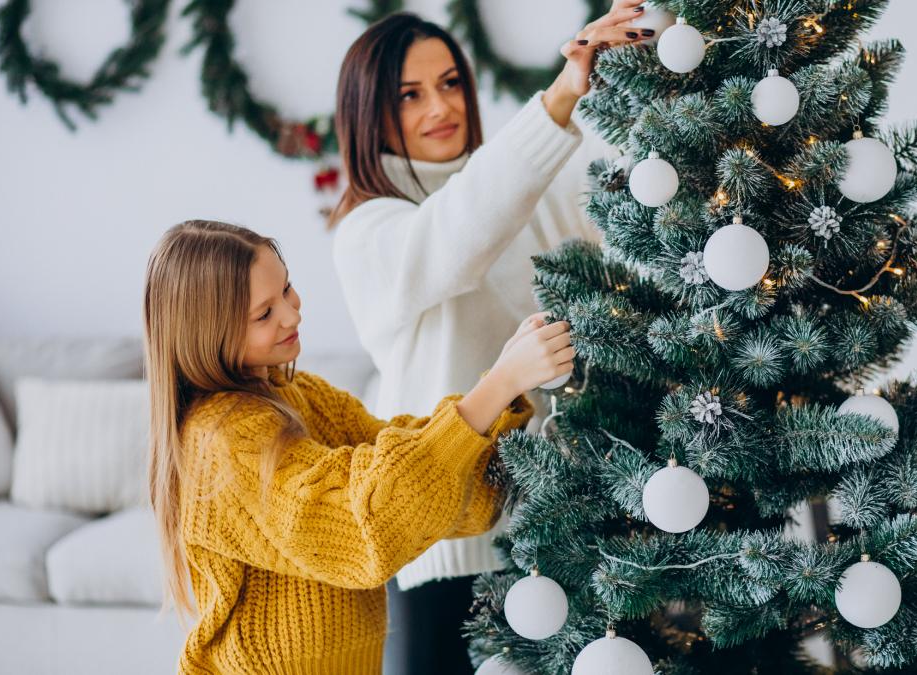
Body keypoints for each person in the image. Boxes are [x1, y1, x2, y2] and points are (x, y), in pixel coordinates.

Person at [328, 4, 647, 672]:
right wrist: (559, 93)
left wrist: (633, 61)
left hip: (560, 519)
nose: (440, 107)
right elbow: (458, 233)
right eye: (409, 95)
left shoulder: (520, 178)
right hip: (447, 542)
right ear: (368, 113)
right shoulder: (369, 229)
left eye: (449, 83)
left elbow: (621, 177)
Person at [143, 220, 574, 673]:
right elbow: (362, 527)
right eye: (263, 314)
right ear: (208, 333)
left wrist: (500, 392)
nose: (291, 315)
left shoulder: (301, 393)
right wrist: (501, 383)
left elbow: (410, 472)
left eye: (287, 290)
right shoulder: (222, 439)